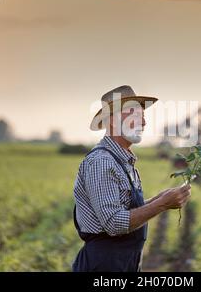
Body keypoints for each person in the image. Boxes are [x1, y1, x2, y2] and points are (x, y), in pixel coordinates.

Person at [72, 85, 191, 272]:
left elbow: (125, 209)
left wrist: (159, 199)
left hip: (124, 263)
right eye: (134, 114)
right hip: (104, 266)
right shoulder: (102, 162)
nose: (143, 122)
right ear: (112, 120)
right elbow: (113, 223)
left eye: (143, 116)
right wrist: (161, 205)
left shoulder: (122, 160)